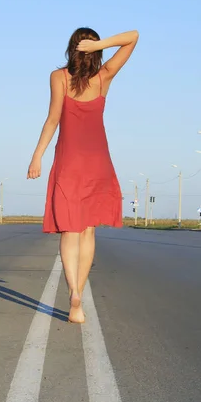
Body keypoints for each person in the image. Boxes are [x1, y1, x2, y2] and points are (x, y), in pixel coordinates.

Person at [27, 28, 139, 323]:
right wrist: (101, 44)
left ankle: (73, 290)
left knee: (69, 230)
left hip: (69, 161)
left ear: (71, 49)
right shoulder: (105, 77)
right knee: (88, 229)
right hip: (98, 162)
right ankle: (80, 294)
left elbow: (53, 119)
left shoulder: (59, 77)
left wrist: (37, 155)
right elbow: (134, 36)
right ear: (95, 51)